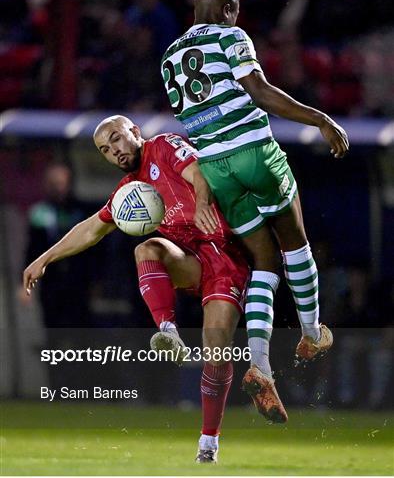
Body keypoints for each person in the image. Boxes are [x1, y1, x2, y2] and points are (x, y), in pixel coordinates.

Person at [161, 0, 349, 420]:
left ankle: (261, 366)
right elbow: (258, 90)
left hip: (216, 169)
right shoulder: (232, 36)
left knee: (263, 264)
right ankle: (312, 331)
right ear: (228, 9)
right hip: (253, 154)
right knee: (295, 243)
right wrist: (319, 119)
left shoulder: (169, 56)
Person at [23, 115, 252, 464]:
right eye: (104, 149)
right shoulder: (130, 189)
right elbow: (91, 229)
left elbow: (199, 173)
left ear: (135, 132)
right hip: (190, 260)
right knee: (145, 249)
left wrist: (204, 204)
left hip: (226, 256)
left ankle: (209, 442)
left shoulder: (163, 145)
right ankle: (167, 330)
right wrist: (45, 258)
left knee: (216, 350)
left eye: (116, 139)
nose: (113, 150)